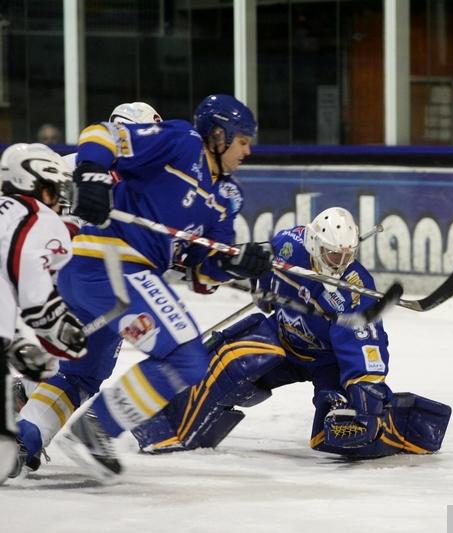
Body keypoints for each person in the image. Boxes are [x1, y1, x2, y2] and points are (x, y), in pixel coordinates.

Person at [14, 94, 272, 482]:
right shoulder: (182, 141)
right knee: (186, 354)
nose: (248, 151)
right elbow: (101, 134)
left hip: (98, 279)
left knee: (81, 374)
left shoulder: (225, 198)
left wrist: (235, 263)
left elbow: (202, 272)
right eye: (243, 141)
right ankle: (97, 430)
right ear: (219, 135)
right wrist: (93, 176)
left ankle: (23, 439)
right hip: (110, 264)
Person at [132, 207, 452, 459]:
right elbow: (263, 261)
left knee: (343, 429)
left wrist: (365, 386)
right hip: (282, 338)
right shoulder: (290, 243)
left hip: (328, 362)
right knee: (231, 359)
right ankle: (173, 426)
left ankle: (404, 424)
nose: (340, 263)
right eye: (333, 255)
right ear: (315, 244)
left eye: (347, 256)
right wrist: (262, 286)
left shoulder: (355, 289)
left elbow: (365, 343)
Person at [0, 143, 88, 485]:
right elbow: (34, 293)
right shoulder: (37, 219)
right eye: (53, 189)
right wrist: (61, 329)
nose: (59, 199)